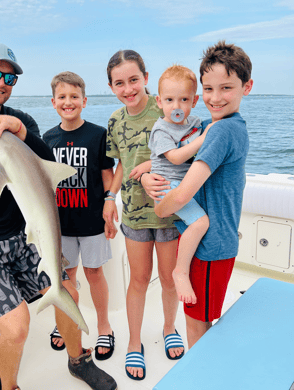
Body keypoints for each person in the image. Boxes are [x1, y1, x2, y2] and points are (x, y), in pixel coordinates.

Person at [0, 43, 117, 390]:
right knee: (17, 328)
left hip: (19, 233)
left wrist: (17, 129)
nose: (1, 81)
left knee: (69, 295)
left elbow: (46, 163)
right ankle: (9, 386)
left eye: (9, 76)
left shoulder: (22, 121)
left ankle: (78, 361)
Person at [141, 41, 253, 349]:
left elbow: (180, 196)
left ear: (247, 87)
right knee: (200, 320)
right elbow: (168, 155)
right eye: (208, 89)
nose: (215, 98)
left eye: (226, 88)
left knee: (196, 328)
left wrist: (161, 209)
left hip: (209, 245)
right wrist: (148, 177)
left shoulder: (220, 131)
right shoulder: (211, 124)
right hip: (208, 240)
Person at [103, 50, 185, 381]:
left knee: (168, 279)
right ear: (111, 87)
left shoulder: (167, 108)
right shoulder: (115, 120)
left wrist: (154, 166)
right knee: (138, 279)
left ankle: (169, 328)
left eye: (134, 80)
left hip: (169, 214)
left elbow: (185, 154)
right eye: (119, 83)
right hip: (134, 217)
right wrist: (110, 197)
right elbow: (121, 162)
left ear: (146, 78)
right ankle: (134, 342)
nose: (128, 89)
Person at [43, 71, 116, 360]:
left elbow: (107, 175)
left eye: (74, 97)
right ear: (53, 102)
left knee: (95, 273)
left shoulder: (98, 135)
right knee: (67, 274)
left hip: (92, 223)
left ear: (84, 101)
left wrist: (110, 209)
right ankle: (66, 323)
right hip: (60, 225)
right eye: (62, 97)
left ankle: (104, 326)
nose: (68, 102)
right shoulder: (47, 139)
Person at [149, 65, 210, 305]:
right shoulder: (161, 129)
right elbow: (175, 158)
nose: (177, 106)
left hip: (184, 184)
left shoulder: (195, 122)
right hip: (166, 185)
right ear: (159, 101)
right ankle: (180, 271)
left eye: (184, 99)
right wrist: (205, 138)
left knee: (198, 224)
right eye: (170, 100)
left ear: (195, 100)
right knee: (200, 222)